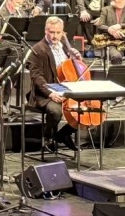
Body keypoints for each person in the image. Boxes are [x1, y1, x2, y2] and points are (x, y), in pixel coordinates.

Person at [27, 16, 83, 153]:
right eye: (52, 32)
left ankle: (63, 134)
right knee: (55, 111)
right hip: (45, 93)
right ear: (45, 31)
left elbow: (74, 71)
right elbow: (36, 76)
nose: (55, 36)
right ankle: (47, 137)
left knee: (87, 107)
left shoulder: (65, 47)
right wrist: (51, 93)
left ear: (62, 32)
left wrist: (78, 60)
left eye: (58, 32)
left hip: (66, 89)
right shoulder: (38, 49)